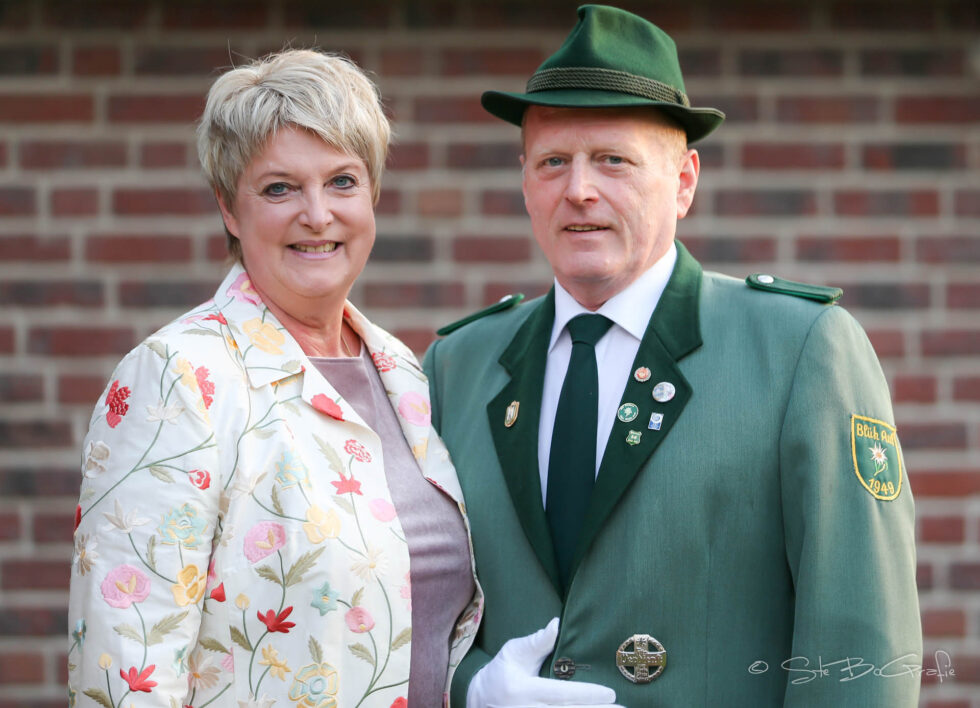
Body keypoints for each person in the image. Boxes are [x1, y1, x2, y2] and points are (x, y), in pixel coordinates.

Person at [423, 5, 921, 707]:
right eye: (553, 162)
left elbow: (862, 646)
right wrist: (475, 688)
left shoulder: (798, 349)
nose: (579, 190)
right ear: (525, 180)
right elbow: (405, 602)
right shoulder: (459, 364)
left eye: (613, 160)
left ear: (684, 181)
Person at [68, 49, 482, 708]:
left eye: (342, 181)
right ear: (231, 210)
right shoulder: (181, 378)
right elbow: (128, 666)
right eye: (280, 188)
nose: (317, 215)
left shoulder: (401, 371)